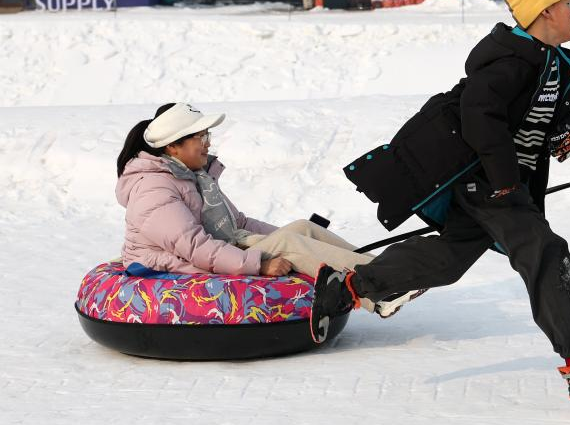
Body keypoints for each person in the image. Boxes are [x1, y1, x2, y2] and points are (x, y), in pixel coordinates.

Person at [312, 0, 570, 400]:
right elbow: (478, 116)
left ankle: (350, 287)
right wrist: (505, 182)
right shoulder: (510, 62)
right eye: (567, 5)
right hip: (488, 183)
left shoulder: (554, 63)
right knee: (544, 251)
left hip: (504, 184)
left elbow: (563, 112)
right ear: (544, 12)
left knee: (449, 260)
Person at [114, 103, 418, 317]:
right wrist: (257, 264)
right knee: (290, 246)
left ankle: (388, 274)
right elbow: (195, 247)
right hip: (174, 263)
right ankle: (384, 288)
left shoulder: (192, 176)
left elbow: (238, 222)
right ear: (172, 146)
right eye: (201, 137)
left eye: (208, 136)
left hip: (214, 247)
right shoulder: (154, 189)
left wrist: (291, 236)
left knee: (301, 229)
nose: (207, 144)